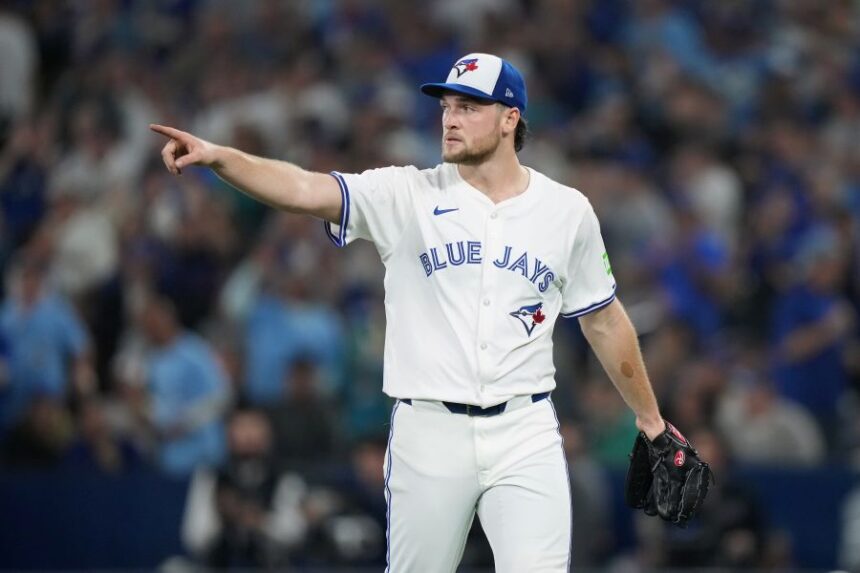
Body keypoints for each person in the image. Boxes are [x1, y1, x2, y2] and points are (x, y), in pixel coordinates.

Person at [152, 53, 670, 572]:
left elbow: (602, 318)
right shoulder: (407, 194)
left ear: (510, 118)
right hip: (429, 432)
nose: (450, 118)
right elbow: (304, 188)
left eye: (468, 107)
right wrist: (222, 158)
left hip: (525, 428)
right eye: (447, 106)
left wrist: (651, 421)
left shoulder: (566, 211)